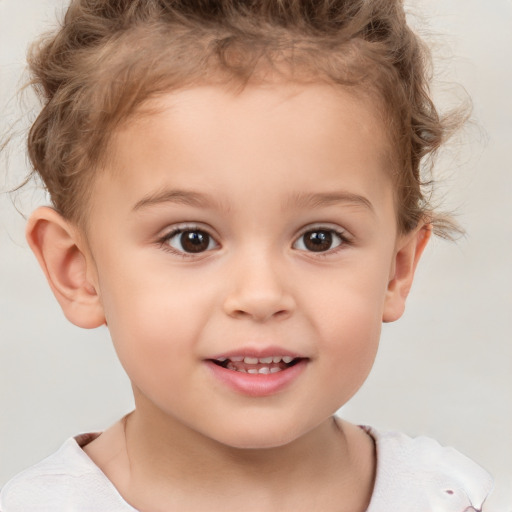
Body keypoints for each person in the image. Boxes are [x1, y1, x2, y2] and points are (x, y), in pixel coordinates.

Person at [0, 0, 494, 510]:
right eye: (191, 239)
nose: (260, 296)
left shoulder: (445, 496)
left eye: (319, 238)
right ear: (77, 270)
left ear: (397, 269)